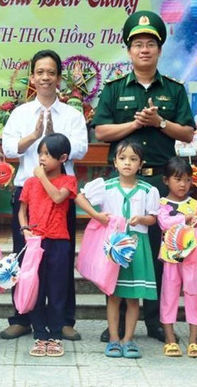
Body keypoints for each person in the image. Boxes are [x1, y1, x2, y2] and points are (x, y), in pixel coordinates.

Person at [92, 10, 195, 343]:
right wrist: (136, 124)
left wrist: (160, 123)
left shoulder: (174, 90)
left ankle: (157, 321)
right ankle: (118, 322)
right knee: (120, 250)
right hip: (122, 184)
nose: (144, 50)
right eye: (138, 44)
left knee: (161, 253)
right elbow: (102, 131)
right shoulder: (113, 89)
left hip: (160, 185)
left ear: (160, 50)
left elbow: (189, 134)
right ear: (128, 50)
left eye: (151, 44)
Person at [0, 50, 88, 342]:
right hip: (29, 194)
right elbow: (10, 148)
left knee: (60, 261)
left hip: (61, 197)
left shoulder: (72, 114)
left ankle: (63, 320)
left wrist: (54, 137)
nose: (45, 77)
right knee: (25, 258)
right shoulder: (21, 113)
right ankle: (22, 317)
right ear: (32, 77)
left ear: (59, 78)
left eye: (51, 72)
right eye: (40, 72)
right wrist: (35, 134)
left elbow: (81, 149)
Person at [76, 140, 160, 359]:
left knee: (133, 298)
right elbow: (80, 197)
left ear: (141, 164)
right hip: (113, 248)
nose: (127, 163)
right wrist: (96, 215)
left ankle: (128, 339)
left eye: (133, 159)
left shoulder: (148, 190)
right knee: (113, 296)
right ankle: (114, 338)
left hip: (137, 246)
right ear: (114, 162)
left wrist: (142, 218)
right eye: (122, 158)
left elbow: (153, 218)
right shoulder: (106, 186)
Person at [18, 133, 79, 358]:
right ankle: (39, 334)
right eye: (40, 153)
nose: (42, 158)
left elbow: (57, 198)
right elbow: (22, 209)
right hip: (36, 242)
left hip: (59, 242)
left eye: (47, 154)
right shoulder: (30, 182)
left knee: (57, 289)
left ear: (62, 158)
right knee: (36, 288)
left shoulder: (68, 180)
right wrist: (25, 229)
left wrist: (42, 177)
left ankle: (55, 335)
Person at [157, 157, 197, 359]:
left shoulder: (194, 204)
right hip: (170, 259)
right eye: (177, 179)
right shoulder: (161, 203)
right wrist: (183, 219)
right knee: (169, 296)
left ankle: (194, 341)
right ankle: (170, 339)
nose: (183, 184)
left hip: (192, 258)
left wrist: (196, 224)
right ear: (166, 180)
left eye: (187, 180)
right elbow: (163, 222)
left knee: (193, 295)